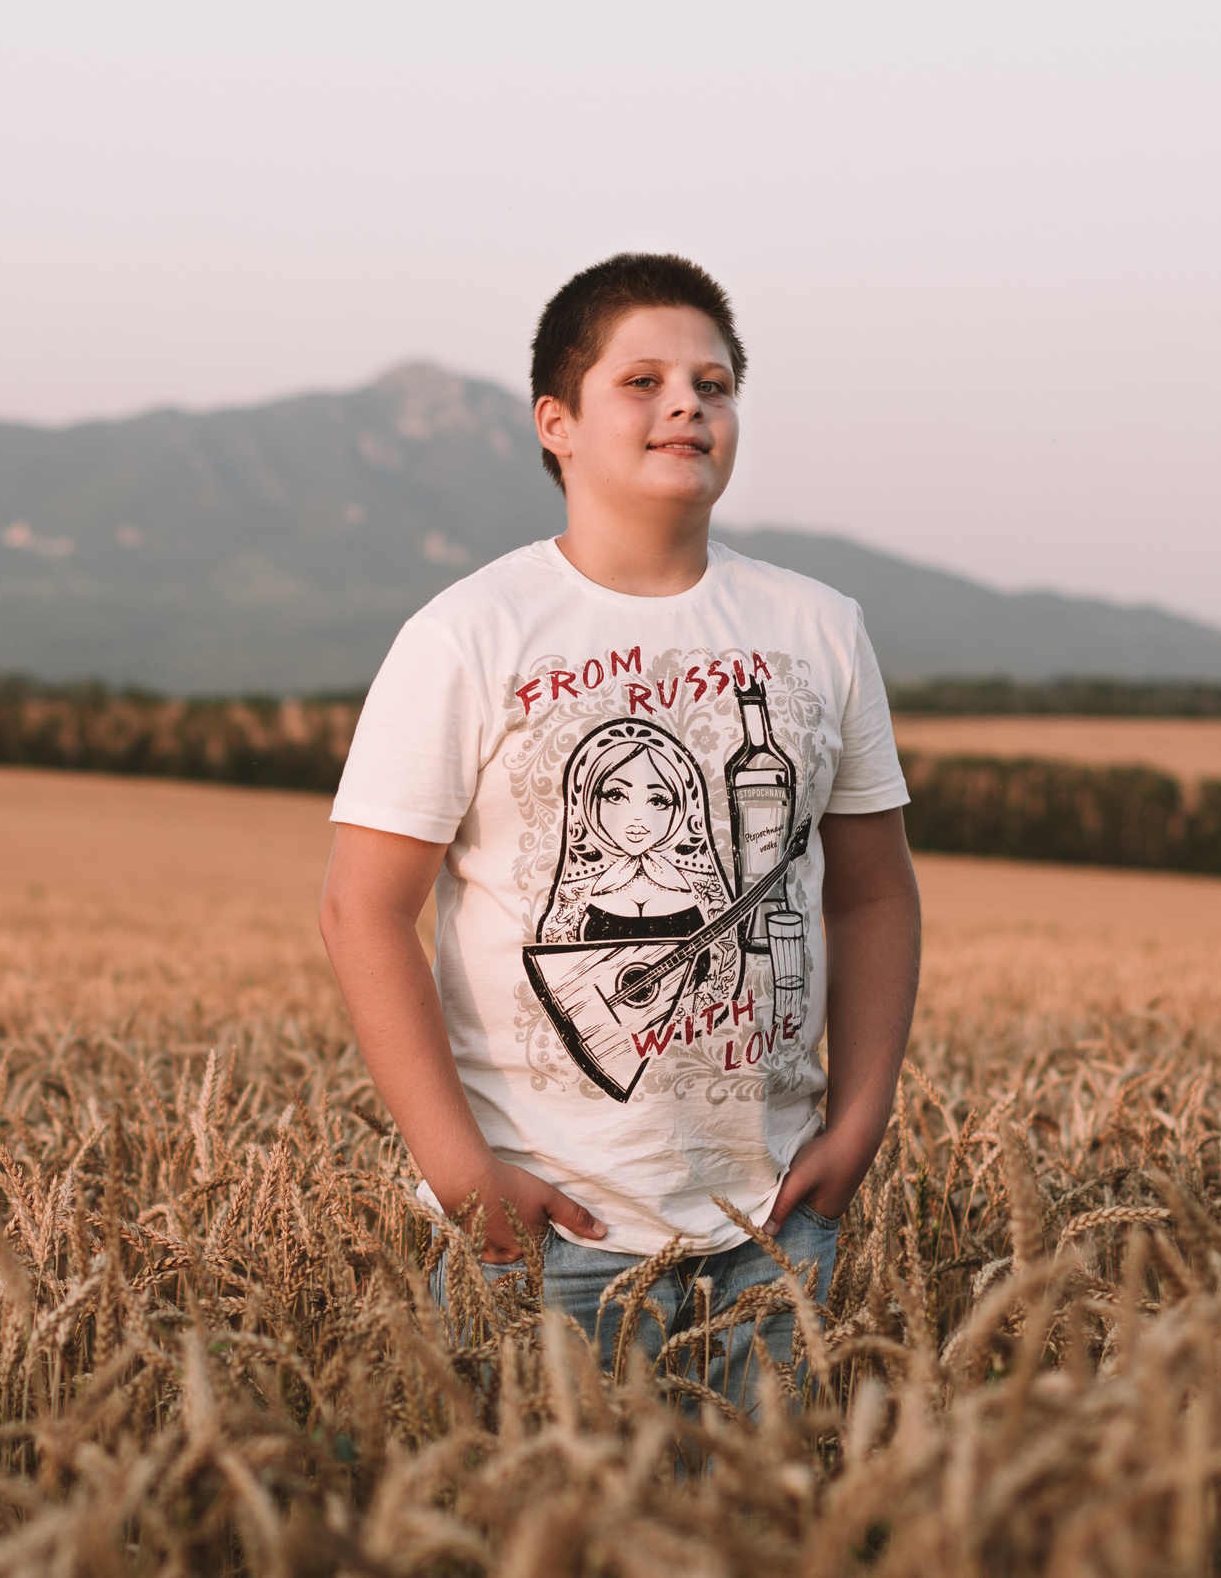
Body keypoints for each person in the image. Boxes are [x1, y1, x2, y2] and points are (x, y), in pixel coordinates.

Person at [318, 253, 921, 1404]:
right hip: (547, 1235)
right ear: (556, 422)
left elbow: (873, 890)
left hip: (776, 1222)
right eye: (642, 380)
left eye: (715, 382)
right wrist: (459, 1172)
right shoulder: (468, 634)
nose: (687, 403)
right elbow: (362, 908)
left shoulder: (822, 628)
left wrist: (861, 1120)